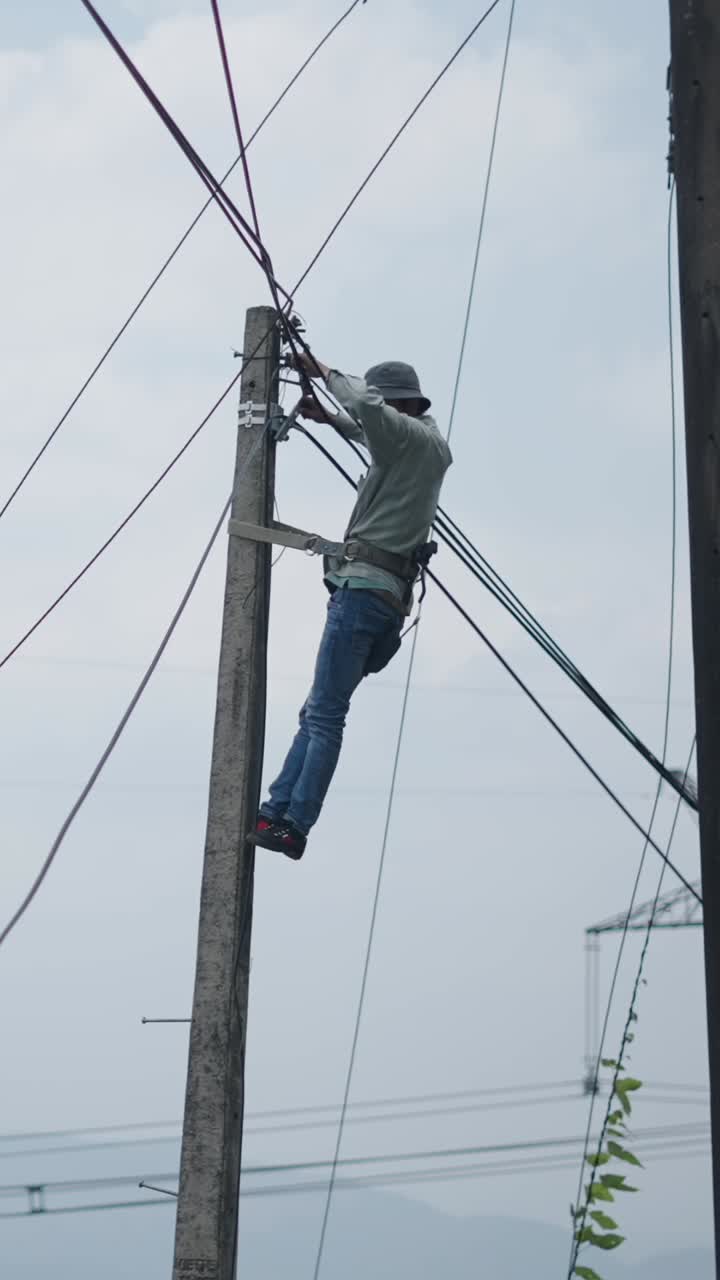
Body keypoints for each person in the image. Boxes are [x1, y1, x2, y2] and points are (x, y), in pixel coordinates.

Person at [247, 352, 452, 859]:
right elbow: (371, 431)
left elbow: (368, 407)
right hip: (384, 603)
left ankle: (293, 824)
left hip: (360, 594)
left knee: (325, 718)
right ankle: (275, 812)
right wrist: (331, 420)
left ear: (399, 406)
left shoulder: (405, 435)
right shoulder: (426, 446)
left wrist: (321, 370)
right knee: (318, 711)